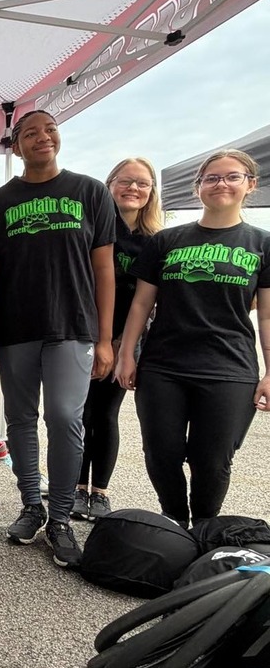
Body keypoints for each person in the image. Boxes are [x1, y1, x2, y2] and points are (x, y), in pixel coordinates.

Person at [0, 110, 115, 569]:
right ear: (15, 147)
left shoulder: (90, 192)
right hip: (15, 327)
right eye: (29, 133)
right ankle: (31, 504)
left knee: (64, 417)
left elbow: (104, 269)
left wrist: (105, 337)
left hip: (73, 325)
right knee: (19, 418)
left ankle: (59, 517)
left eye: (49, 129)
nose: (42, 137)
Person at [116, 149, 270, 528]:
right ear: (197, 186)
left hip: (230, 368)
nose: (221, 184)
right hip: (163, 365)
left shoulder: (261, 244)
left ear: (250, 185)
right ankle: (173, 520)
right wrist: (126, 354)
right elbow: (140, 304)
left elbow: (266, 313)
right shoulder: (166, 241)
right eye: (212, 178)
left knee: (212, 459)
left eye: (232, 177)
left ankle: (203, 527)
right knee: (161, 452)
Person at [73, 158, 162, 522]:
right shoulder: (93, 230)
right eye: (126, 181)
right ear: (109, 185)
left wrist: (124, 342)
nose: (134, 189)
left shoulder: (155, 241)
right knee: (80, 413)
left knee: (106, 414)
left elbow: (149, 301)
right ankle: (77, 487)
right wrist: (96, 337)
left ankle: (100, 491)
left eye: (142, 184)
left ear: (151, 191)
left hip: (127, 339)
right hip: (86, 333)